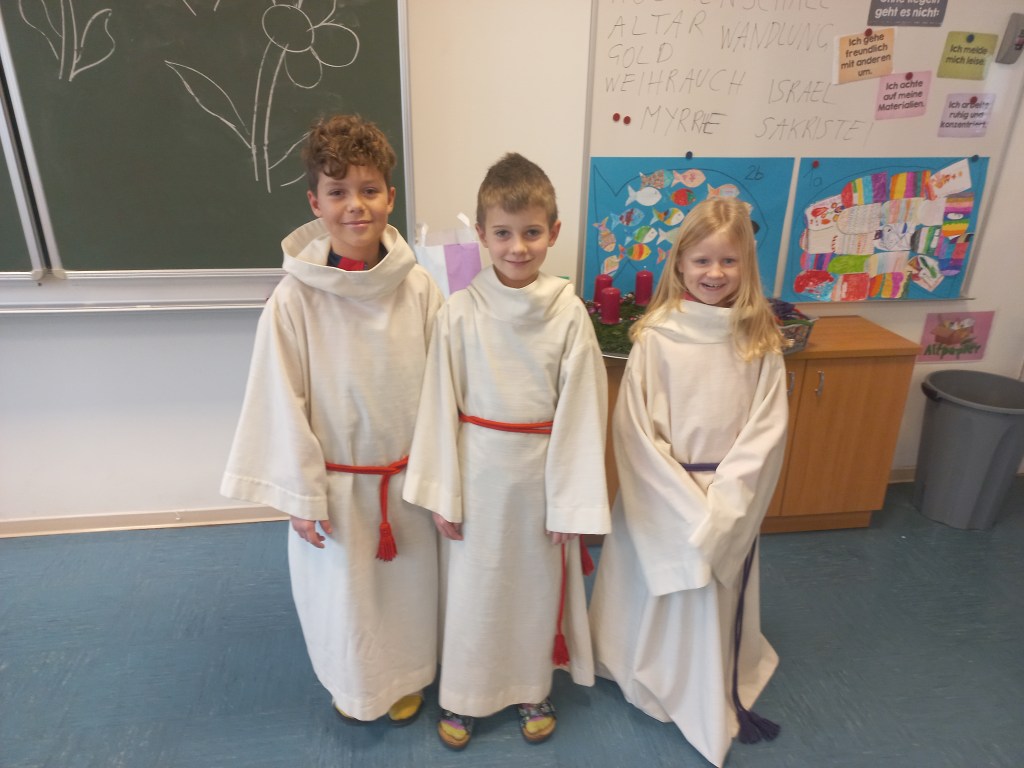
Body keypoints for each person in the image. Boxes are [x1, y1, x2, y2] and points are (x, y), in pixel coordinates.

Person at [221, 114, 443, 726]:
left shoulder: (420, 290)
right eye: (338, 192)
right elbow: (279, 398)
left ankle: (407, 678)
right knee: (346, 601)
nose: (355, 206)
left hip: (405, 482)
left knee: (408, 593)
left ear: (390, 197)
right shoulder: (294, 299)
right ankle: (358, 686)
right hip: (338, 484)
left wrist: (441, 477)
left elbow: (444, 386)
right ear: (315, 203)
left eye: (369, 190)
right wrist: (300, 494)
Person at [403, 153, 610, 750]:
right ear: (481, 234)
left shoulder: (568, 314)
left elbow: (583, 411)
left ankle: (530, 687)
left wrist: (570, 503)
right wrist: (442, 491)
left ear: (554, 232)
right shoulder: (459, 312)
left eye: (531, 232)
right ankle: (463, 694)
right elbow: (438, 404)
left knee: (532, 589)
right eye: (503, 233)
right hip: (478, 473)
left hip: (540, 479)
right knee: (474, 589)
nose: (517, 247)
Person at [588, 197, 788, 768]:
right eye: (702, 260)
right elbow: (635, 434)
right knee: (666, 586)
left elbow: (766, 432)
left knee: (709, 591)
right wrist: (684, 506)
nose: (714, 273)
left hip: (727, 496)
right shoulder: (656, 336)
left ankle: (706, 677)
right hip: (663, 494)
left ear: (746, 265)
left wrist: (724, 506)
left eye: (728, 261)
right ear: (679, 263)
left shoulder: (759, 341)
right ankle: (643, 669)